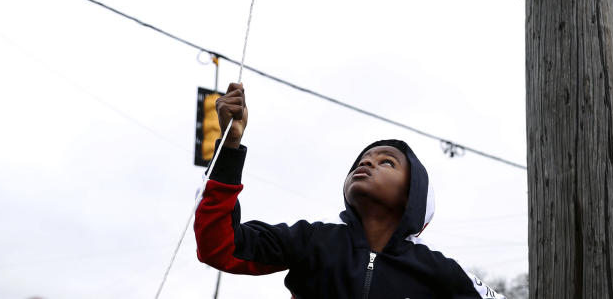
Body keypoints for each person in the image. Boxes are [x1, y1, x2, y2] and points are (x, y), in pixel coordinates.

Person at [194, 82, 506, 299]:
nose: (367, 163)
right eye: (363, 160)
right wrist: (230, 146)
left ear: (413, 195)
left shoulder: (439, 270)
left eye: (387, 162)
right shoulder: (312, 240)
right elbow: (219, 247)